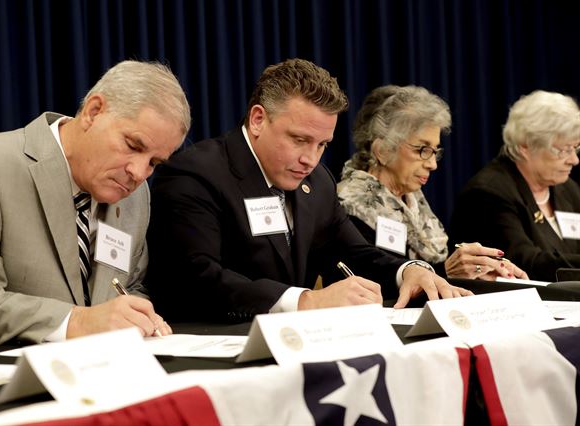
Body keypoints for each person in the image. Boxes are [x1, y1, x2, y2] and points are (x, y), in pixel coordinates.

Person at [146, 58, 471, 322]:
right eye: (299, 140)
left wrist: (407, 271)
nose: (310, 159)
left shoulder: (317, 182)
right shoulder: (195, 174)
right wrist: (305, 300)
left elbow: (353, 253)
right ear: (258, 119)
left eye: (322, 145)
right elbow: (197, 279)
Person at [0, 60, 191, 351]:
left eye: (154, 163)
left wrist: (137, 318)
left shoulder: (136, 196)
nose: (139, 172)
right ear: (93, 112)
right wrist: (78, 322)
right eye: (133, 145)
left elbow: (131, 285)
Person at [337, 85, 527, 280]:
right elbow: (373, 279)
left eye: (435, 151)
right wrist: (447, 273)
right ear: (383, 150)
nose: (432, 164)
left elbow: (436, 269)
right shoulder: (349, 206)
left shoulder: (413, 202)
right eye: (422, 150)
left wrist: (477, 271)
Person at [449, 90, 580, 281]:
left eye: (575, 148)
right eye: (564, 150)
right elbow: (525, 262)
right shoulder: (489, 192)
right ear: (525, 147)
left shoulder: (567, 188)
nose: (574, 160)